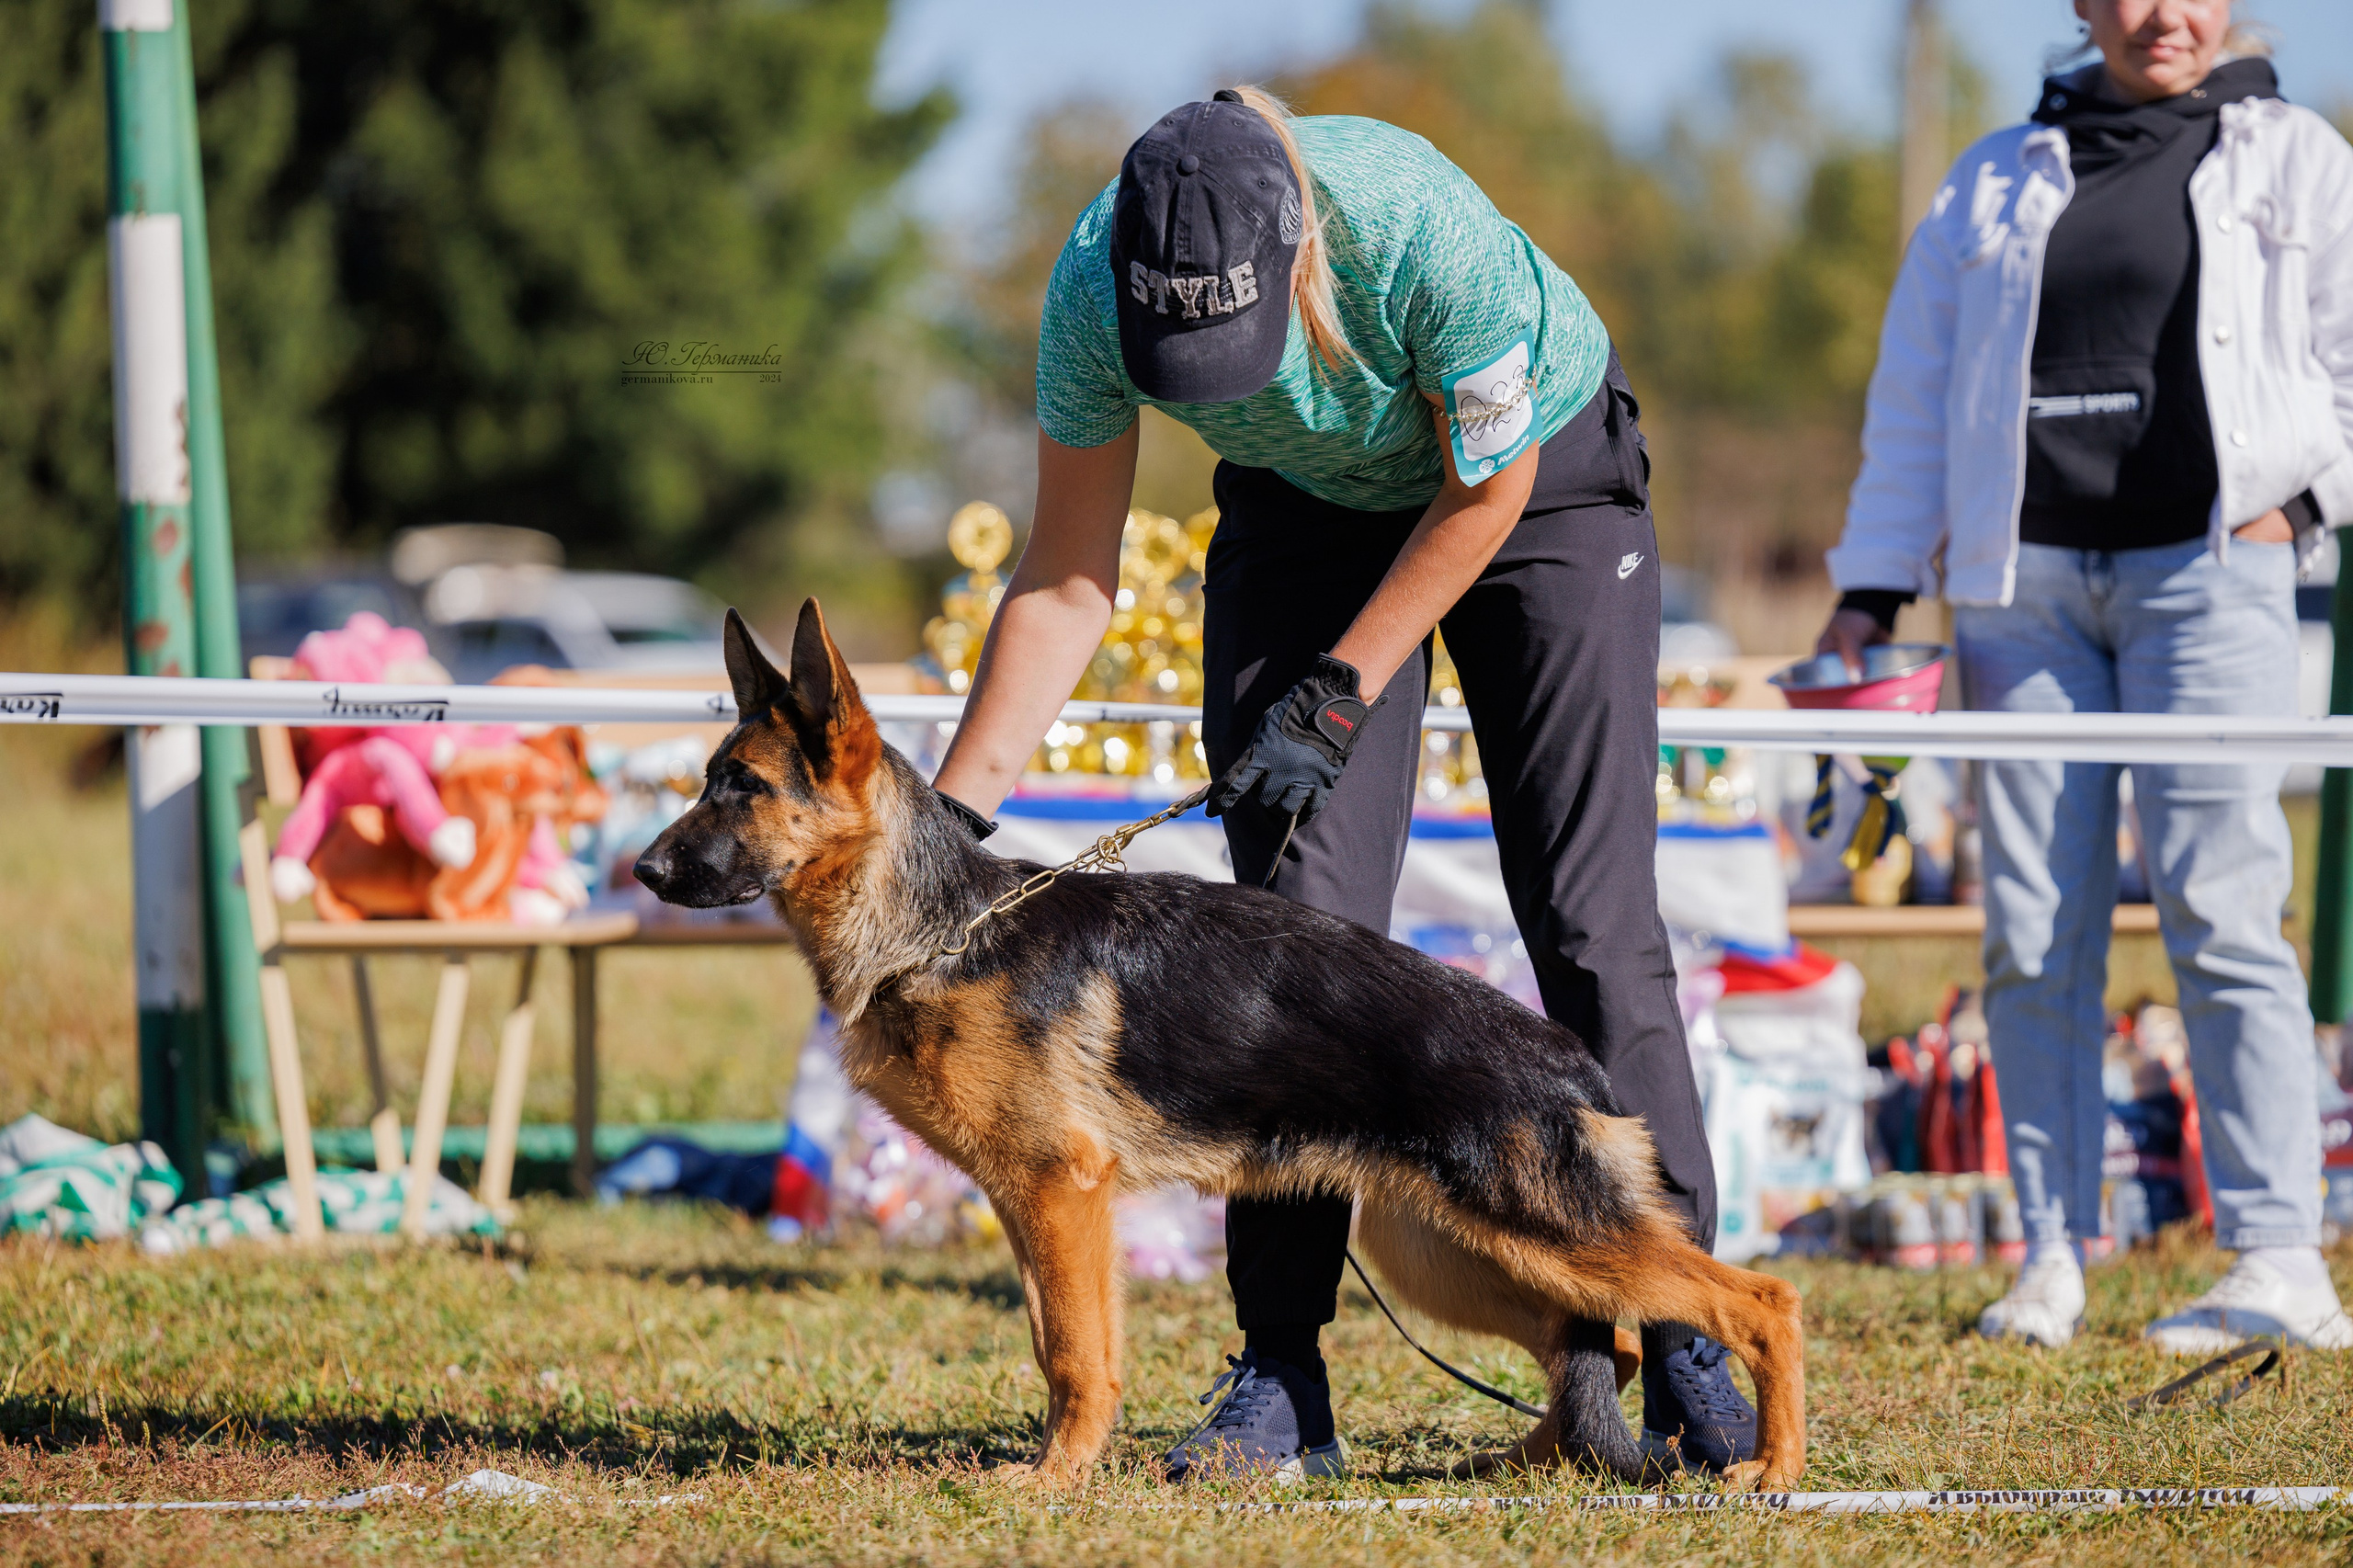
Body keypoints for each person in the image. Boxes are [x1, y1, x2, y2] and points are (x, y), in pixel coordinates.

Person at [928, 87, 1749, 1480]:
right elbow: (1071, 574)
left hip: (1536, 491)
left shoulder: (1418, 222)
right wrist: (941, 830)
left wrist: (1343, 682)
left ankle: (1681, 1333)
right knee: (1288, 948)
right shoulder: (1088, 281)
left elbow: (1484, 492)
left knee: (1590, 918)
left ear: (1300, 247)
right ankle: (1282, 1377)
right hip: (1304, 516)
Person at [1818, 0, 2353, 1351]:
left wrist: (2301, 509)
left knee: (2223, 906)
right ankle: (2051, 1253)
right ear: (2080, 5)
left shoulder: (2299, 158)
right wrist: (1870, 591)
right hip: (2024, 590)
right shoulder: (1993, 176)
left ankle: (2281, 1256)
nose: (2162, 14)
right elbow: (1917, 395)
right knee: (2034, 921)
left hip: (2207, 578)